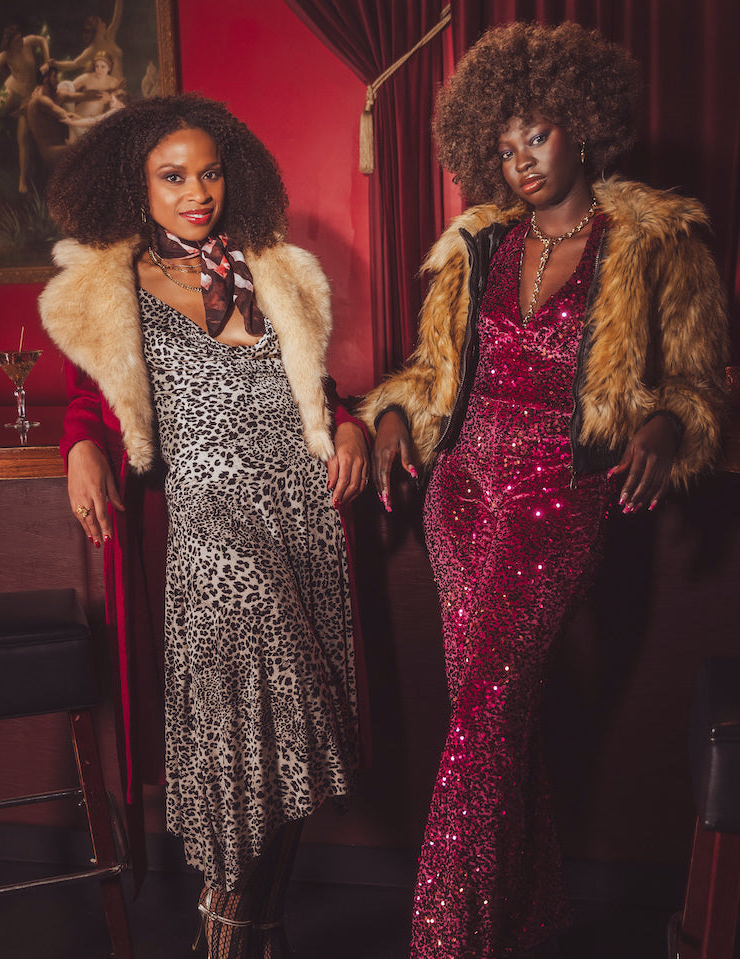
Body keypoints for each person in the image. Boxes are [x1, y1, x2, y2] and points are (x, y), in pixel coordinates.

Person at [358, 21, 729, 959]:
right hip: (460, 490)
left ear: (583, 125)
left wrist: (663, 425)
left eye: (540, 135)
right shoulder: (475, 245)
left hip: (562, 496)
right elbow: (435, 374)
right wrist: (394, 415)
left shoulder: (654, 242)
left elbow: (698, 384)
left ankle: (445, 941)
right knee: (494, 713)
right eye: (506, 142)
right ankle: (527, 911)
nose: (521, 159)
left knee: (485, 709)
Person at [39, 92, 368, 959]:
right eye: (173, 175)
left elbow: (318, 395)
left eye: (210, 172)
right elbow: (89, 400)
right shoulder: (107, 288)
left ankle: (251, 930)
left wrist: (351, 426)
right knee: (240, 742)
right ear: (136, 184)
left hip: (300, 515)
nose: (196, 191)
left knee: (288, 736)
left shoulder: (275, 270)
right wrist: (81, 447)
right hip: (210, 528)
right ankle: (221, 930)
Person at [0, 24, 50, 193]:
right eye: (16, 40)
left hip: (29, 93)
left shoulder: (28, 42)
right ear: (9, 43)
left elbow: (43, 40)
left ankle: (22, 180)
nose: (21, 41)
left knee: (23, 137)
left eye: (21, 37)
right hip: (13, 86)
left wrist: (46, 61)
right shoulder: (5, 55)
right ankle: (17, 110)